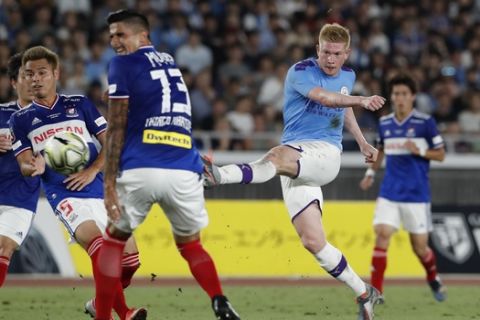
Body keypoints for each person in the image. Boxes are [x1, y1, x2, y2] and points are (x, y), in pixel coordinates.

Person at [203, 23, 385, 320]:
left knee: (275, 156)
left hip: (325, 155)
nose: (330, 59)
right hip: (298, 158)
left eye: (336, 54)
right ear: (317, 49)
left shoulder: (348, 76)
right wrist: (361, 99)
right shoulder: (300, 71)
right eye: (325, 52)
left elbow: (342, 104)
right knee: (313, 242)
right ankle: (364, 293)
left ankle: (219, 175)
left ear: (346, 54)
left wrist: (362, 141)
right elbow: (328, 98)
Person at [94, 10, 240, 320]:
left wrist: (107, 182)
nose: (114, 42)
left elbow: (117, 125)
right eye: (111, 37)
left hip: (141, 167)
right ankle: (219, 299)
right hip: (184, 168)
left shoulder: (121, 64)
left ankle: (104, 316)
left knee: (114, 240)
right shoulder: (170, 61)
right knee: (190, 246)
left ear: (143, 36)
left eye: (121, 35)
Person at [9, 45, 144, 320]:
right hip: (65, 193)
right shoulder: (20, 120)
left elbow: (111, 143)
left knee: (130, 262)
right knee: (100, 246)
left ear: (56, 73)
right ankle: (121, 312)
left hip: (99, 189)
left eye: (41, 72)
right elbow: (23, 161)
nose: (35, 79)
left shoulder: (79, 104)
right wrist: (31, 166)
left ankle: (99, 302)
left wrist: (93, 170)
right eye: (29, 74)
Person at [359, 73, 447, 301]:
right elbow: (381, 151)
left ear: (413, 96)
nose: (400, 98)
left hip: (417, 195)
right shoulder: (385, 123)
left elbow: (441, 155)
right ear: (392, 96)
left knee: (420, 248)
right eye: (396, 94)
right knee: (382, 234)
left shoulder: (425, 123)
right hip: (390, 192)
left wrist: (421, 151)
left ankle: (433, 278)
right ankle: (376, 293)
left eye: (404, 94)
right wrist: (370, 173)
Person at [0, 52, 40, 287]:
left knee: (4, 247)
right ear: (14, 82)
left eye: (37, 75)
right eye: (27, 75)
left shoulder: (53, 118)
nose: (34, 81)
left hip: (21, 198)